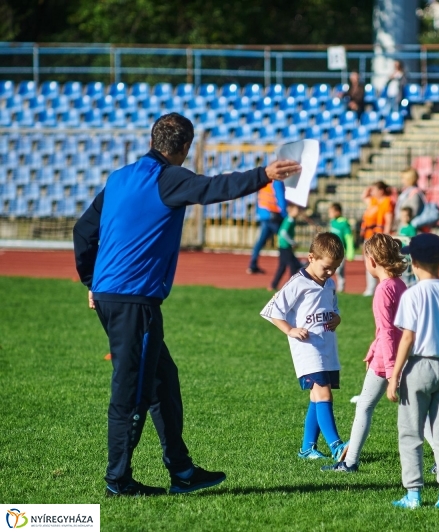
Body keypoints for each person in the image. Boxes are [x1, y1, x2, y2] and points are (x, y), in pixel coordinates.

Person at [72, 112, 300, 496]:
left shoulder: (120, 177)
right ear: (185, 147)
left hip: (114, 297)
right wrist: (263, 174)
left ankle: (182, 471)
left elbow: (83, 231)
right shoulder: (169, 178)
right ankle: (118, 480)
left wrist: (91, 281)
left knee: (162, 381)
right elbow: (213, 188)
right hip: (135, 303)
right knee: (131, 392)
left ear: (152, 140)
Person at [387, 233, 439, 510]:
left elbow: (407, 338)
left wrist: (394, 376)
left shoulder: (412, 295)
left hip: (419, 367)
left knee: (411, 433)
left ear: (413, 262)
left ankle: (413, 495)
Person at [260, 232, 349, 462]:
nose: (331, 272)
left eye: (336, 268)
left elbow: (333, 308)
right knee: (324, 392)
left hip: (326, 347)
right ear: (311, 257)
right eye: (327, 267)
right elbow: (274, 310)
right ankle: (336, 446)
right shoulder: (297, 283)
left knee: (316, 397)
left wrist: (337, 318)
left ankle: (307, 448)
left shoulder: (329, 284)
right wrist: (290, 330)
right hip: (307, 348)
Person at [322, 234, 407, 473]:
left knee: (364, 407)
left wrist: (390, 370)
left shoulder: (383, 290)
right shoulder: (399, 284)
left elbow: (388, 332)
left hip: (387, 361)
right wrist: (373, 348)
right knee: (418, 410)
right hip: (403, 355)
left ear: (372, 261)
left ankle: (349, 462)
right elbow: (391, 329)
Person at [360, 181, 394, 296]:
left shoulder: (387, 202)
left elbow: (388, 220)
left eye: (375, 190)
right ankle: (370, 288)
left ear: (381, 191)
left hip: (378, 237)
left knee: (381, 263)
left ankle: (384, 286)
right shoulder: (373, 201)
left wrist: (385, 237)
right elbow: (364, 197)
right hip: (369, 236)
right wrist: (369, 188)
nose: (372, 192)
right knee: (369, 262)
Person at [247, 180, 287, 275]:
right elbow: (280, 199)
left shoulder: (264, 181)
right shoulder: (277, 182)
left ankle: (253, 264)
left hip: (264, 214)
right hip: (273, 216)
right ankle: (294, 263)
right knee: (284, 239)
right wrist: (286, 215)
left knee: (261, 241)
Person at [271, 203, 303, 291]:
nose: (298, 212)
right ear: (291, 210)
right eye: (296, 210)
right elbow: (283, 233)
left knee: (284, 266)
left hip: (284, 246)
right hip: (285, 246)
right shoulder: (289, 220)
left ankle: (274, 285)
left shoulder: (290, 220)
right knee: (292, 265)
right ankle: (292, 285)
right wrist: (292, 242)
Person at [328, 202, 355, 293]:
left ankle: (341, 287)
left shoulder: (344, 224)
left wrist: (350, 253)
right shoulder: (332, 222)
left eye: (331, 212)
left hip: (340, 251)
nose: (329, 214)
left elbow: (349, 238)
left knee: (339, 270)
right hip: (331, 250)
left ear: (337, 212)